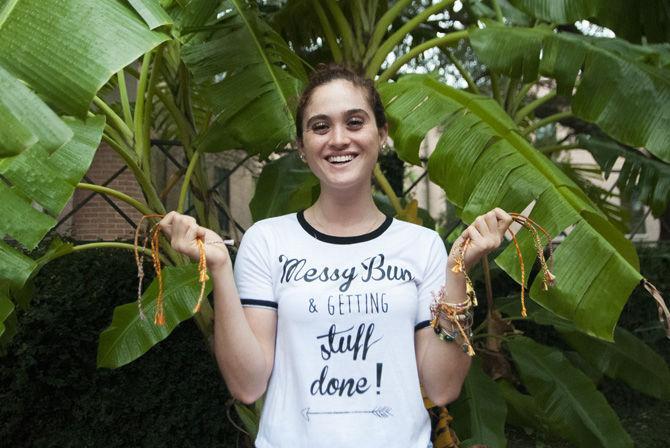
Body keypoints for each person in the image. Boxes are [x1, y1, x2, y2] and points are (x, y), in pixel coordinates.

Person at [159, 64, 513, 448]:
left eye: (355, 122)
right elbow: (247, 385)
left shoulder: (422, 245)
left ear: (381, 134)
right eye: (320, 126)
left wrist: (457, 272)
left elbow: (442, 388)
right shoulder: (267, 241)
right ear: (301, 145)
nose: (339, 139)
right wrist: (220, 269)